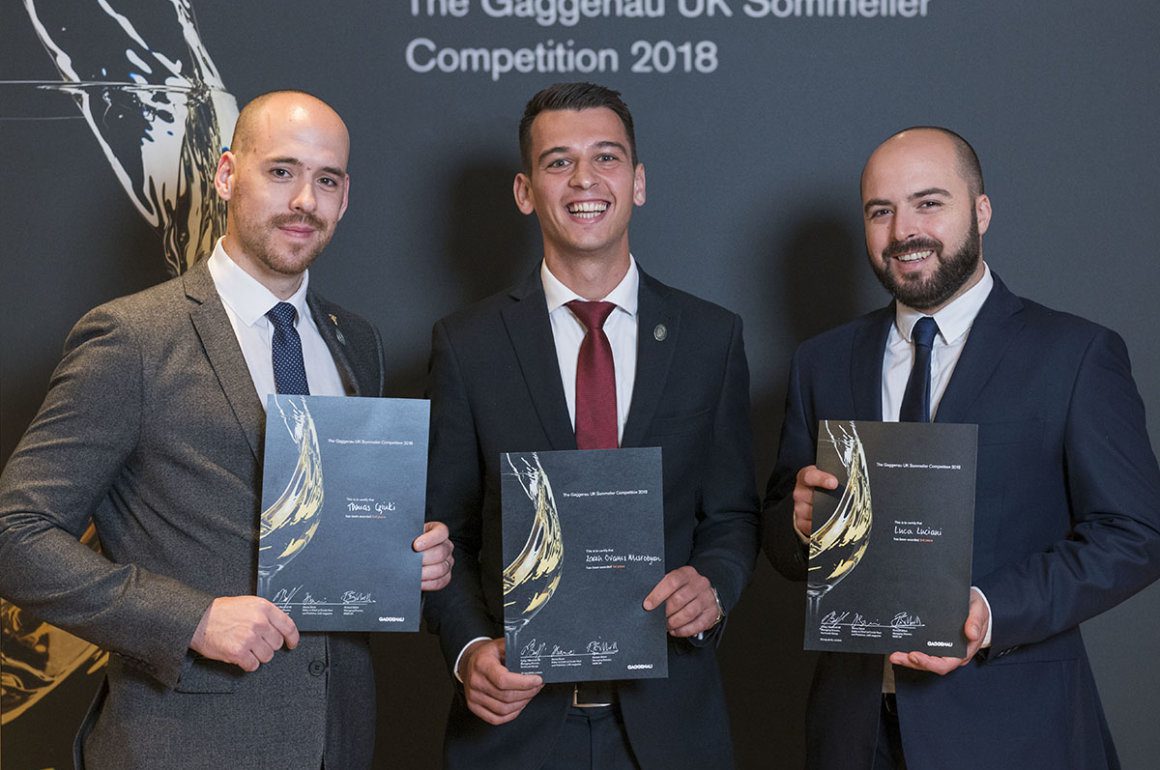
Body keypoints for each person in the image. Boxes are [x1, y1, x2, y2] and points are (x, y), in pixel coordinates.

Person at [0, 90, 454, 768]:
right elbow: (15, 535)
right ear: (225, 174)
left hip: (338, 740)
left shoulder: (356, 341)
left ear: (345, 197)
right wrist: (191, 619)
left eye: (326, 180)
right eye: (281, 171)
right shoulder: (133, 338)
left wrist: (407, 553)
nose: (304, 200)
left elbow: (334, 531)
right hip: (182, 743)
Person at [763, 126, 1160, 769]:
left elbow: (1137, 533)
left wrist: (989, 611)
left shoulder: (1074, 355)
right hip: (853, 736)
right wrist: (800, 521)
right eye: (880, 211)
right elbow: (781, 538)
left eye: (929, 203)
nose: (903, 231)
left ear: (981, 211)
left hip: (1015, 734)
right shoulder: (822, 362)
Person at [422, 82, 760, 769]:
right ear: (525, 192)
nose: (584, 179)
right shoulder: (467, 345)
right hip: (514, 731)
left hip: (671, 729)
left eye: (606, 157)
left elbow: (731, 515)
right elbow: (444, 533)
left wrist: (714, 586)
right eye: (558, 162)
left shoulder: (710, 338)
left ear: (638, 182)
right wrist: (469, 650)